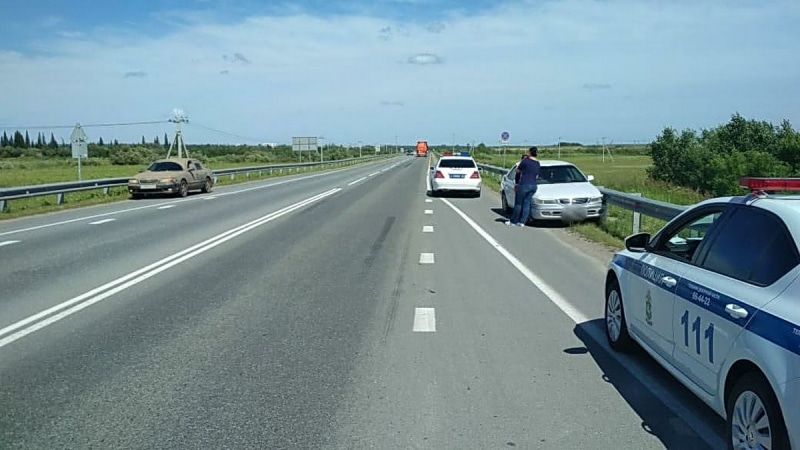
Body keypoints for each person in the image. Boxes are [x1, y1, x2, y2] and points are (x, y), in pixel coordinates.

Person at [506, 147, 540, 227]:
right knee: (527, 203)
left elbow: (517, 171)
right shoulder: (537, 163)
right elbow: (537, 176)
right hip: (533, 185)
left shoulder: (525, 161)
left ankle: (513, 221)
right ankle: (522, 222)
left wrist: (517, 183)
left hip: (524, 184)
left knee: (518, 204)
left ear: (529, 152)